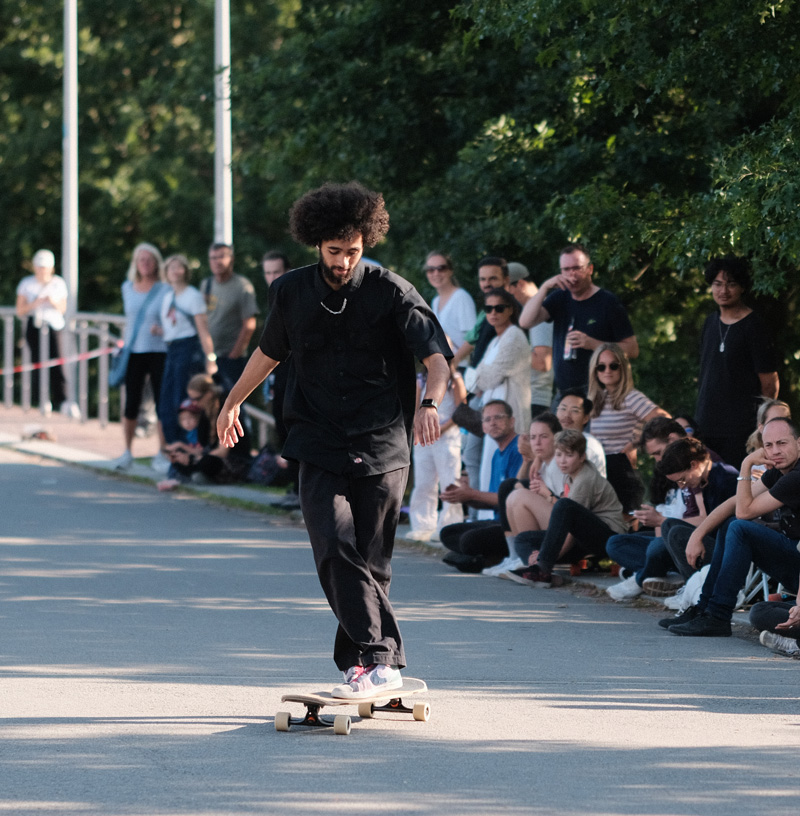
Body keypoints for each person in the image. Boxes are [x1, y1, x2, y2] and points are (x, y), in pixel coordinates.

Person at [216, 181, 452, 699]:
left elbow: (437, 358)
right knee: (331, 544)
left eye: (353, 251)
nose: (344, 261)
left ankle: (362, 666)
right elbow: (268, 352)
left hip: (382, 441)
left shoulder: (393, 291)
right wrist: (231, 401)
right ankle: (382, 658)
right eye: (334, 250)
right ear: (316, 243)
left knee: (371, 561)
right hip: (317, 437)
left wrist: (430, 404)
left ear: (367, 243)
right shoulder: (290, 291)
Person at [662, 417, 800, 637]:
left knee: (739, 527)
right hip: (793, 558)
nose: (775, 451)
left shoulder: (796, 476)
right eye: (768, 445)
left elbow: (744, 512)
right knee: (730, 525)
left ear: (798, 443)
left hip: (796, 566)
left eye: (782, 443)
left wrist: (746, 464)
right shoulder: (778, 472)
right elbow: (732, 504)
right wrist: (697, 534)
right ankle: (704, 609)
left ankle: (717, 615)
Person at [519, 243, 638, 402]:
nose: (572, 275)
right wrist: (544, 288)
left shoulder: (608, 302)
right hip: (565, 394)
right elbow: (525, 322)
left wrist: (594, 344)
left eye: (577, 268)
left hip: (600, 393)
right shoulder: (559, 297)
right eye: (566, 270)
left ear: (590, 269)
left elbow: (632, 350)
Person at [508, 429, 628, 587]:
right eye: (558, 455)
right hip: (585, 538)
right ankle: (537, 569)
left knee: (564, 505)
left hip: (609, 538)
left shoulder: (585, 479)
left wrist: (546, 557)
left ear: (582, 457)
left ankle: (543, 570)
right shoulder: (570, 473)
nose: (562, 461)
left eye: (569, 455)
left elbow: (570, 526)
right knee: (523, 539)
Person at [694, 255, 779, 467]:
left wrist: (763, 425)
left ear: (742, 287)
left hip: (741, 428)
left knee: (740, 482)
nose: (723, 290)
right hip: (706, 424)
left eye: (731, 284)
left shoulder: (754, 326)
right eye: (717, 284)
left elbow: (769, 382)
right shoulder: (710, 322)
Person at [438, 400, 524, 572]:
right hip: (497, 521)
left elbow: (510, 500)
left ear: (512, 421)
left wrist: (472, 494)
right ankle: (484, 557)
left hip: (515, 526)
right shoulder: (496, 454)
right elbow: (494, 502)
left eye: (498, 417)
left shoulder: (519, 449)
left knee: (469, 540)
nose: (493, 423)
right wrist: (464, 497)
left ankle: (485, 557)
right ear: (483, 426)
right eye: (487, 419)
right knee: (447, 533)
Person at [586, 342, 669, 512]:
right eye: (601, 367)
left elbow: (665, 420)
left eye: (613, 366)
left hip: (622, 473)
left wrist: (636, 443)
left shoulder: (631, 397)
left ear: (622, 368)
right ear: (595, 371)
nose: (607, 371)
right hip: (598, 472)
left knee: (625, 524)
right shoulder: (596, 399)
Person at [110, 243, 169, 471]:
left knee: (162, 402)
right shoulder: (127, 287)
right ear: (135, 263)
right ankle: (127, 451)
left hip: (159, 350)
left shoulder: (165, 289)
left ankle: (162, 452)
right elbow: (131, 320)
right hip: (134, 351)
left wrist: (162, 330)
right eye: (141, 259)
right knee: (131, 402)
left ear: (156, 263)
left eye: (149, 259)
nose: (145, 263)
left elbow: (173, 320)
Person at [471, 287, 532, 495]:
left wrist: (479, 376)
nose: (493, 313)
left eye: (499, 308)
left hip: (510, 414)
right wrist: (480, 377)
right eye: (488, 309)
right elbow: (477, 381)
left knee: (510, 471)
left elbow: (487, 378)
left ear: (510, 310)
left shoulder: (514, 336)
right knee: (490, 468)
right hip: (492, 414)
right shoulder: (495, 340)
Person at [157, 254, 217, 446]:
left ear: (185, 271)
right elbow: (172, 328)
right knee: (166, 402)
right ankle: (173, 448)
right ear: (166, 272)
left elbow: (202, 329)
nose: (175, 271)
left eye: (179, 267)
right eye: (171, 267)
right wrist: (160, 331)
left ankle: (188, 447)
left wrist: (210, 358)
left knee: (182, 401)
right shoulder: (168, 297)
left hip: (188, 350)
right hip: (171, 350)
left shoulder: (193, 296)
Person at [407, 368, 468, 541]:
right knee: (423, 482)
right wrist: (419, 428)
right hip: (424, 437)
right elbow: (415, 407)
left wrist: (441, 429)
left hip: (447, 437)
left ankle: (449, 526)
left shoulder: (455, 379)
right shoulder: (421, 378)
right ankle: (422, 525)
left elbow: (460, 409)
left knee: (450, 481)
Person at [15, 249, 74, 416]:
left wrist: (52, 302)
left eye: (44, 267)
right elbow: (20, 310)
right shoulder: (27, 283)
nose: (41, 270)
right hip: (35, 325)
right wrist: (35, 303)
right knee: (38, 363)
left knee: (58, 362)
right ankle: (42, 399)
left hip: (54, 326)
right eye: (39, 267)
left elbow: (63, 308)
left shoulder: (58, 283)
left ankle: (63, 400)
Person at [503, 412, 565, 569]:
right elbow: (517, 483)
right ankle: (519, 557)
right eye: (532, 437)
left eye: (543, 437)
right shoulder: (543, 463)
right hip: (551, 523)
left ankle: (529, 557)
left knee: (519, 496)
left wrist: (546, 494)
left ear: (556, 438)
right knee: (514, 492)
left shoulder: (560, 463)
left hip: (567, 531)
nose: (537, 443)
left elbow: (568, 506)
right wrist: (529, 460)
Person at [203, 243, 259, 392]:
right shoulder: (206, 284)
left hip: (231, 358)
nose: (217, 261)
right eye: (213, 258)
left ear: (231, 259)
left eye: (221, 257)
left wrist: (234, 355)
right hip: (208, 356)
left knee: (232, 401)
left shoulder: (242, 286)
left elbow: (249, 325)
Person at [508, 262, 554, 416]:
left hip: (534, 400)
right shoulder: (534, 309)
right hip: (528, 399)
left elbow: (542, 363)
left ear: (520, 284)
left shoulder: (539, 311)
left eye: (507, 290)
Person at [425, 250, 476, 352]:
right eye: (431, 269)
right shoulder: (436, 301)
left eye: (441, 268)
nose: (436, 273)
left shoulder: (461, 298)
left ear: (450, 271)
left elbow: (473, 338)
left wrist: (455, 360)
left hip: (462, 362)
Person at [554, 389, 607, 477]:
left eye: (574, 411)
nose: (566, 415)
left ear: (585, 418)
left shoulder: (587, 445)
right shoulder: (556, 440)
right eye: (563, 409)